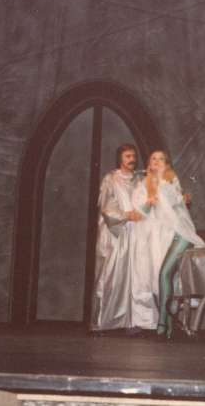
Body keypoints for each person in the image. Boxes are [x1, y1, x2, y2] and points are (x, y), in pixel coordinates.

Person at [131, 150, 205, 339]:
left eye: (161, 159)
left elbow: (179, 206)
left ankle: (163, 322)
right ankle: (169, 322)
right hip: (161, 235)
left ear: (166, 164)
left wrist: (183, 198)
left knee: (165, 273)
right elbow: (139, 213)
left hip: (181, 233)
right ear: (149, 163)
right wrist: (149, 202)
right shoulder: (144, 184)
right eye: (153, 159)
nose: (157, 161)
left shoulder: (171, 181)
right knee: (164, 276)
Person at [89, 143, 143, 333]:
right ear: (120, 158)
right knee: (110, 276)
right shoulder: (110, 179)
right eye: (128, 156)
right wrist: (126, 215)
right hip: (115, 234)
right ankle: (101, 323)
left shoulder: (139, 179)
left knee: (133, 278)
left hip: (135, 233)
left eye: (133, 156)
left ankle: (130, 323)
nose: (132, 159)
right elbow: (106, 206)